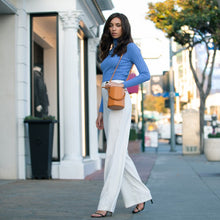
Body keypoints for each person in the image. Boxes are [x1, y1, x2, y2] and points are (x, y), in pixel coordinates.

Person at [91, 13, 153, 218]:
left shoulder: (131, 48)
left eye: (118, 25)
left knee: (113, 153)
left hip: (120, 100)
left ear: (124, 27)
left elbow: (145, 74)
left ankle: (106, 204)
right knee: (119, 153)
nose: (114, 28)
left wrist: (123, 84)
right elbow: (105, 82)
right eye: (111, 25)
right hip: (107, 101)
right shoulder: (109, 50)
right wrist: (100, 111)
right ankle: (140, 195)